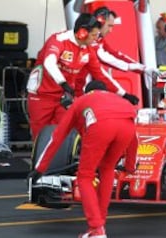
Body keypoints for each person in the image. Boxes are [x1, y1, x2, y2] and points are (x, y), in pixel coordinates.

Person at [27, 80, 138, 238]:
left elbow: (57, 136)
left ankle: (97, 229)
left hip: (101, 127)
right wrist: (130, 165)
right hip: (127, 128)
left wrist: (40, 168)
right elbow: (134, 138)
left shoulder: (81, 101)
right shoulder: (119, 100)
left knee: (85, 176)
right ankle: (99, 227)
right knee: (107, 170)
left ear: (87, 92)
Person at [26, 13, 139, 141]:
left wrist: (124, 94)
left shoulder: (88, 50)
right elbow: (49, 63)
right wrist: (63, 83)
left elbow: (100, 75)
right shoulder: (59, 40)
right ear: (82, 33)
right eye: (93, 35)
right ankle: (41, 160)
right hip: (42, 95)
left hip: (64, 97)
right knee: (40, 135)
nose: (96, 39)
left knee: (66, 131)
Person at [75, 7, 156, 96]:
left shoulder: (99, 39)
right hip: (70, 86)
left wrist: (142, 68)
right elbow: (105, 58)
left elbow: (115, 54)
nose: (110, 30)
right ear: (100, 23)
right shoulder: (90, 40)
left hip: (76, 87)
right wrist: (139, 68)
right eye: (109, 26)